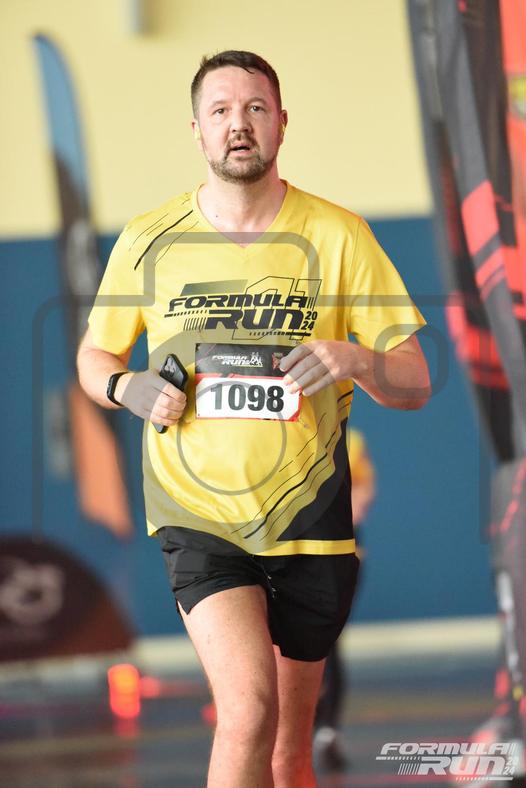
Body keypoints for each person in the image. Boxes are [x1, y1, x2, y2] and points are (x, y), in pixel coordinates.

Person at [77, 50, 430, 787]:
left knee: (288, 753)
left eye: (255, 108)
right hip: (198, 515)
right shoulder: (147, 239)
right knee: (247, 710)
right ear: (197, 131)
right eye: (221, 111)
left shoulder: (340, 235)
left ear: (282, 123)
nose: (238, 124)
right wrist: (125, 387)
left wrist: (354, 358)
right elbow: (95, 356)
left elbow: (415, 382)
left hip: (311, 520)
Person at [314, 429, 376, 771]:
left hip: (339, 550)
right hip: (289, 552)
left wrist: (333, 515)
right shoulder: (273, 430)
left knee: (328, 639)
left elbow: (364, 492)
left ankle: (328, 730)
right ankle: (307, 718)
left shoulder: (350, 440)